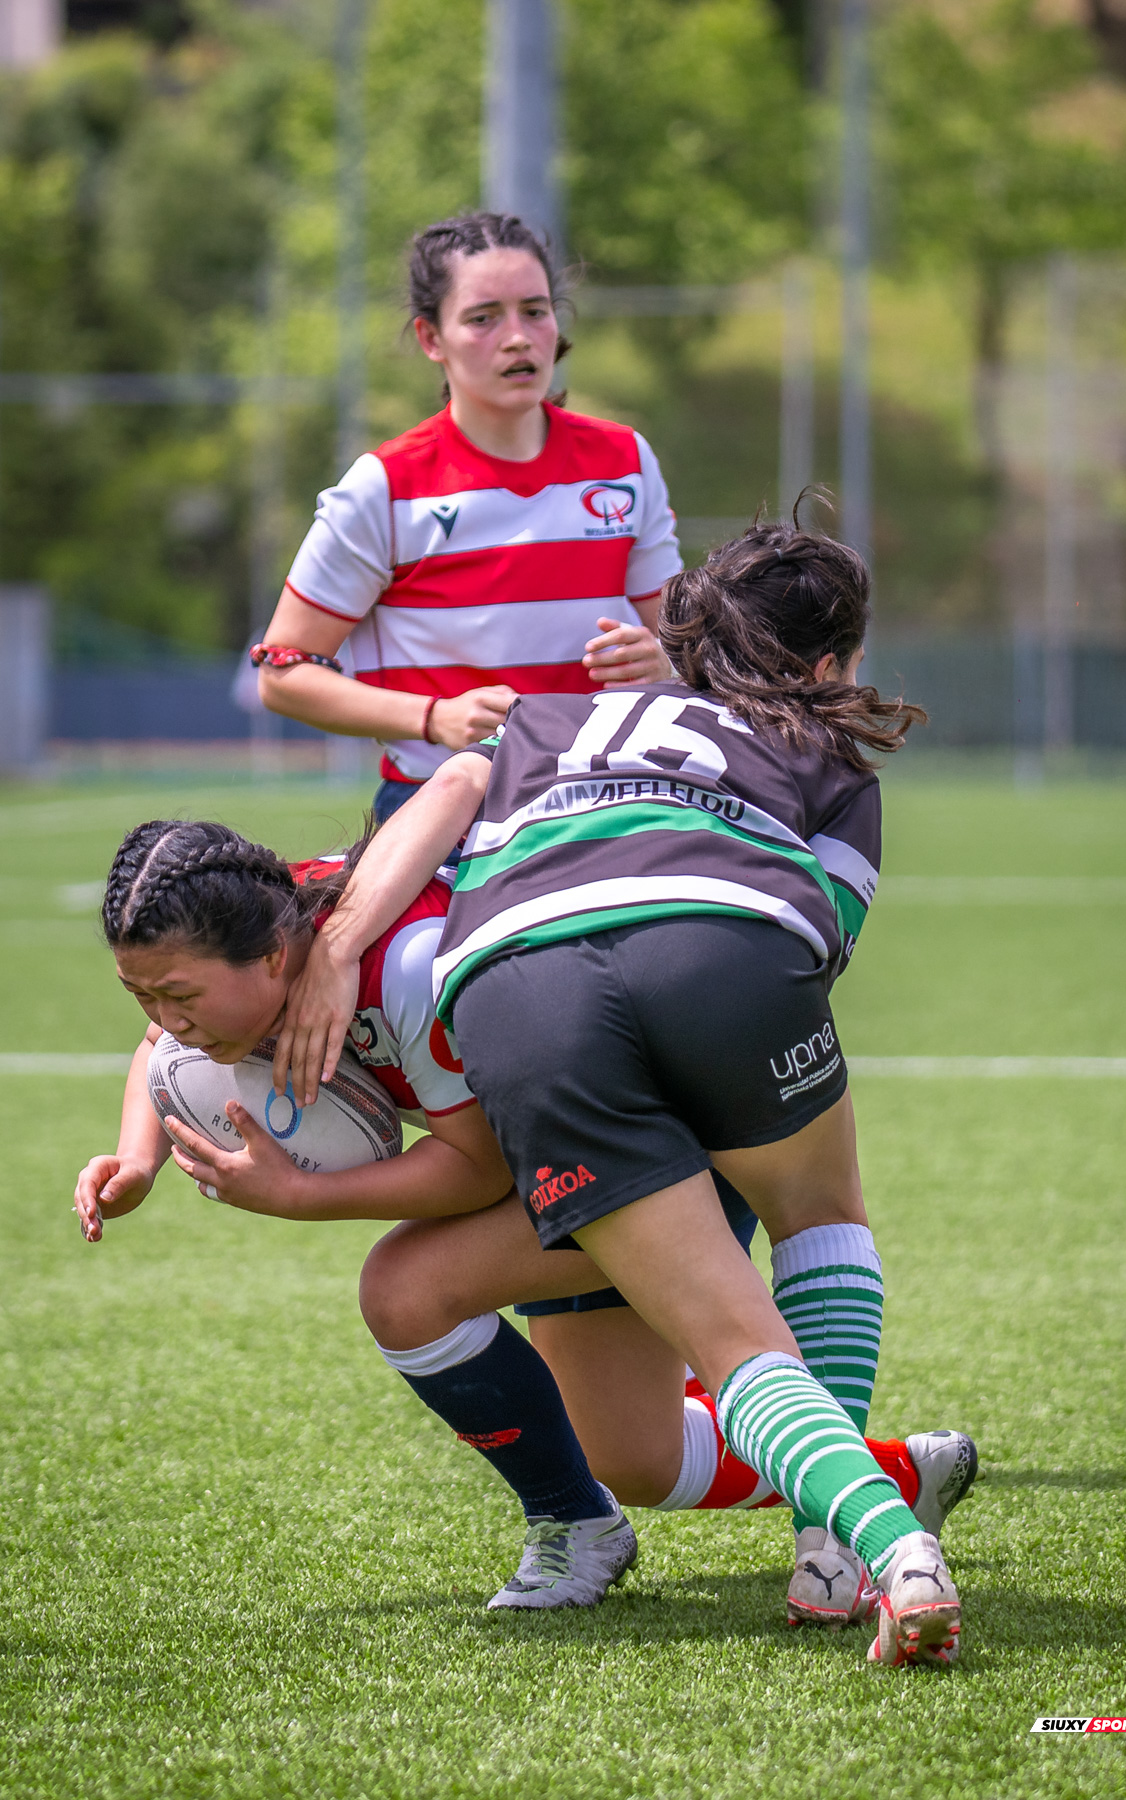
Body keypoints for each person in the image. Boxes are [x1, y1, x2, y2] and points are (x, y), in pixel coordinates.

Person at [269, 517, 967, 1667]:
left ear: (683, 633)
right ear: (830, 667)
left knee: (717, 1351)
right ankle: (844, 1548)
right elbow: (814, 946)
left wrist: (341, 943)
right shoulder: (824, 750)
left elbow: (448, 788)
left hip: (517, 989)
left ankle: (882, 1544)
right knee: (815, 1219)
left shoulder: (546, 717)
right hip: (720, 959)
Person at [74, 819, 973, 1629]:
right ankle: (888, 1477)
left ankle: (573, 1524)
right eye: (139, 994)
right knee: (637, 1457)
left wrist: (301, 1197)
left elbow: (478, 1170)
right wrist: (137, 1159)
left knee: (404, 1290)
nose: (165, 1021)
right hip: (560, 1153)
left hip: (659, 1136)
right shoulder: (275, 926)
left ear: (274, 958)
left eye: (178, 995)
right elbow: (162, 1053)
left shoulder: (404, 969)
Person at [253, 210, 679, 826]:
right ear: (431, 339)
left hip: (603, 805)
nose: (517, 337)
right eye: (483, 318)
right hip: (440, 812)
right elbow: (283, 674)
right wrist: (433, 717)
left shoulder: (625, 461)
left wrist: (664, 662)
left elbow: (690, 649)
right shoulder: (385, 488)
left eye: (535, 311)